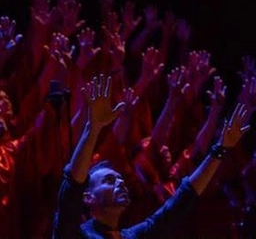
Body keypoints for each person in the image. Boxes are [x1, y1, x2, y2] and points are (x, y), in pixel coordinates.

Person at [53, 75, 250, 239]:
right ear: (88, 198)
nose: (120, 183)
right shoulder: (73, 234)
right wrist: (93, 128)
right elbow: (72, 186)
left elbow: (182, 200)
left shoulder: (132, 236)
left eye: (120, 179)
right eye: (109, 180)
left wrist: (220, 149)